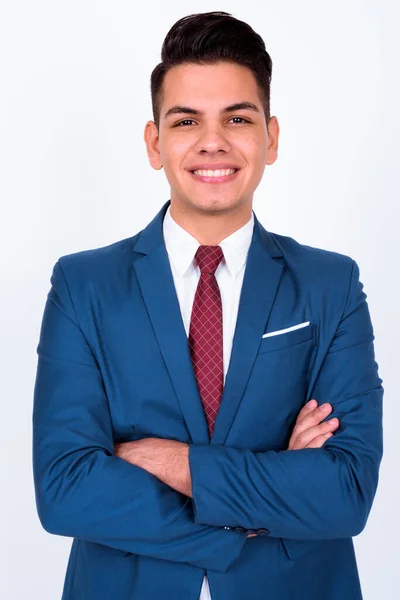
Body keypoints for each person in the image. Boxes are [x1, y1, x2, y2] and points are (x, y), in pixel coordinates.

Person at [32, 11, 383, 600]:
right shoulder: (83, 286)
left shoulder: (331, 285)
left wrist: (178, 463)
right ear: (155, 142)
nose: (212, 141)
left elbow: (345, 491)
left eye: (237, 118)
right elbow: (65, 487)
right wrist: (260, 506)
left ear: (271, 138)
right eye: (186, 120)